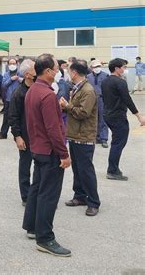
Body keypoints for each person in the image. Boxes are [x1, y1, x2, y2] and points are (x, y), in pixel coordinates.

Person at [22, 54, 71, 257]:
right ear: (48, 71)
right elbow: (53, 129)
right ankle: (45, 238)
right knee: (48, 195)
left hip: (37, 148)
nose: (58, 71)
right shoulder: (47, 95)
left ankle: (32, 226)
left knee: (37, 189)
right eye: (56, 68)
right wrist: (64, 154)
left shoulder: (32, 90)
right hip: (49, 150)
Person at [60, 62, 100, 217]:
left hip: (84, 136)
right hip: (75, 134)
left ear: (75, 72)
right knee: (77, 168)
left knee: (86, 170)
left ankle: (94, 202)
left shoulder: (88, 90)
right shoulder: (78, 88)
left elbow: (83, 112)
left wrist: (67, 106)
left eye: (69, 71)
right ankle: (80, 196)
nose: (68, 73)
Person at [101, 58, 145, 181]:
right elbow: (127, 100)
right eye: (123, 67)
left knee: (116, 142)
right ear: (116, 68)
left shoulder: (105, 81)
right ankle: (112, 170)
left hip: (108, 115)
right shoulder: (120, 82)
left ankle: (114, 168)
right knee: (118, 143)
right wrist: (139, 116)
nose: (125, 69)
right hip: (118, 116)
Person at [8, 59, 35, 206]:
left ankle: (38, 194)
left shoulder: (39, 88)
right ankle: (26, 196)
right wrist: (17, 136)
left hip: (39, 136)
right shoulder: (19, 93)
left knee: (41, 167)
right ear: (27, 74)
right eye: (34, 69)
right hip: (25, 136)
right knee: (25, 166)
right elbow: (13, 117)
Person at [0, 58, 22, 139]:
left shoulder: (21, 73)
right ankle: (3, 134)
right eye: (10, 63)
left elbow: (26, 82)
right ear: (8, 64)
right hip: (9, 99)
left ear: (17, 64)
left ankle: (20, 135)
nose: (12, 65)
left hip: (19, 98)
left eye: (14, 63)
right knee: (6, 117)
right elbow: (3, 85)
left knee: (20, 117)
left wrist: (20, 79)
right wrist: (11, 79)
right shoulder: (6, 74)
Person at [87, 60, 109, 148]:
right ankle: (95, 137)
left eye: (98, 66)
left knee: (103, 118)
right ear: (91, 68)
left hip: (102, 99)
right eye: (95, 67)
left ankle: (104, 139)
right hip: (92, 99)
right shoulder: (88, 77)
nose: (97, 68)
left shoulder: (105, 76)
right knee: (93, 118)